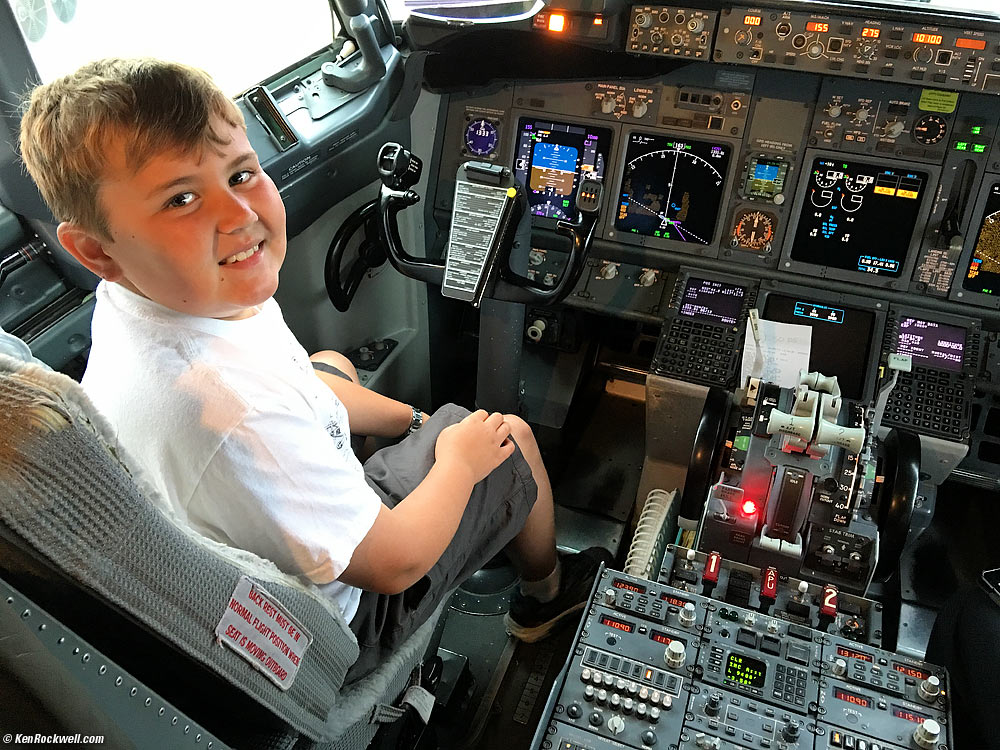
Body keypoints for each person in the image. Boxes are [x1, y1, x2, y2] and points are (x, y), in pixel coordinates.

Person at [18, 58, 608, 681]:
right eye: (182, 198)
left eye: (241, 174)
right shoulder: (232, 411)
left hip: (255, 538)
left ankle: (396, 478)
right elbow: (394, 564)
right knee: (506, 437)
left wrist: (415, 422)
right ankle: (544, 597)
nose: (239, 215)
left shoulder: (155, 304)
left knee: (330, 365)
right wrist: (458, 460)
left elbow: (299, 378)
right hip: (349, 618)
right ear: (95, 250)